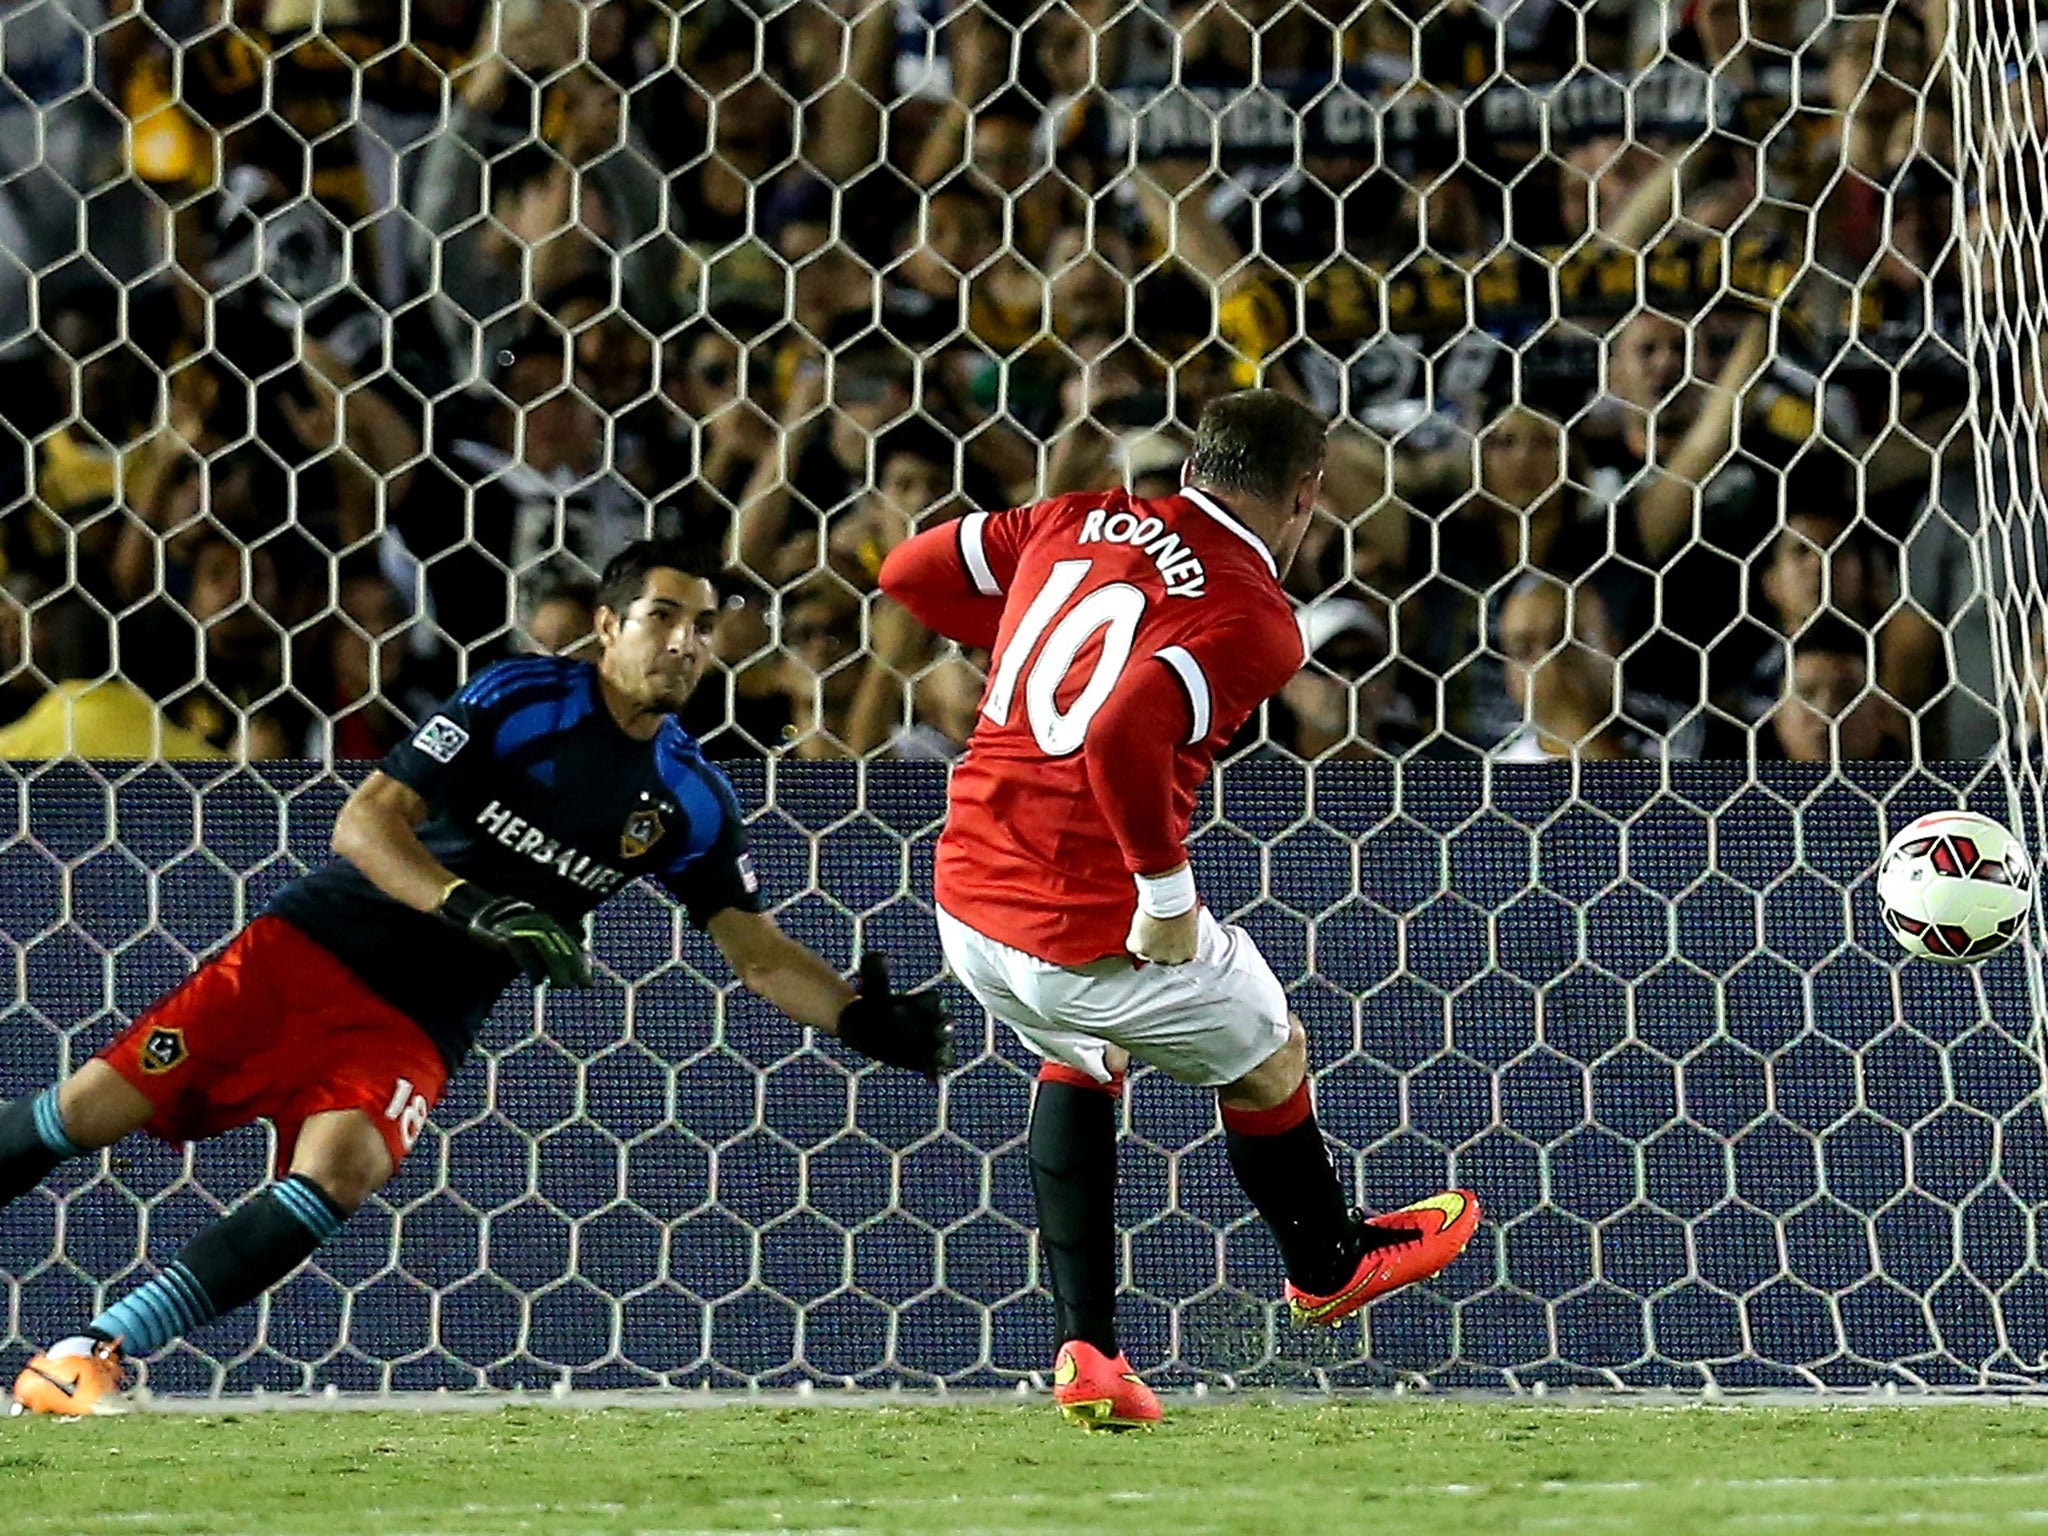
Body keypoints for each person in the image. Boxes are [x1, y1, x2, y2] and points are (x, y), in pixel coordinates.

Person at [4, 539, 954, 1416]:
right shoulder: (519, 699)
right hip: (311, 951)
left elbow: (759, 952)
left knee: (340, 1174)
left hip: (424, 1014)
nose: (683, 641)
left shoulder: (692, 795)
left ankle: (91, 1352)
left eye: (702, 626)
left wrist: (859, 1020)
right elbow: (366, 823)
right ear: (607, 627)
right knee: (86, 1112)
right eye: (662, 616)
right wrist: (472, 905)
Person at [878, 391, 1480, 1432]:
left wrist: (1031, 641)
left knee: (1077, 1052)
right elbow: (1121, 732)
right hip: (1082, 919)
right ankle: (1327, 1262)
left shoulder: (1066, 518)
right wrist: (1165, 896)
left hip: (967, 905)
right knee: (1271, 1052)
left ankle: (1088, 1355)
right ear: (1306, 495)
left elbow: (905, 572)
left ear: (1197, 464)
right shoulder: (1256, 615)